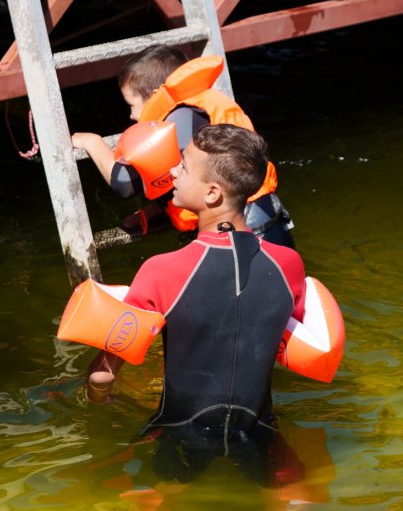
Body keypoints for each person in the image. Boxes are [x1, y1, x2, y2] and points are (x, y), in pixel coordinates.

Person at [85, 125, 307, 453]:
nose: (171, 170)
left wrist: (96, 405)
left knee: (157, 499)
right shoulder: (288, 264)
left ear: (212, 193)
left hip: (180, 433)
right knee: (285, 497)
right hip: (258, 430)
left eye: (184, 166)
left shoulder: (161, 270)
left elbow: (101, 377)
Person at [71, 45, 293, 247]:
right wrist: (156, 211)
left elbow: (125, 183)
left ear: (154, 96)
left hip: (243, 234)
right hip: (266, 220)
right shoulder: (201, 106)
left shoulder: (180, 121)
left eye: (132, 105)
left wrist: (92, 142)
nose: (130, 115)